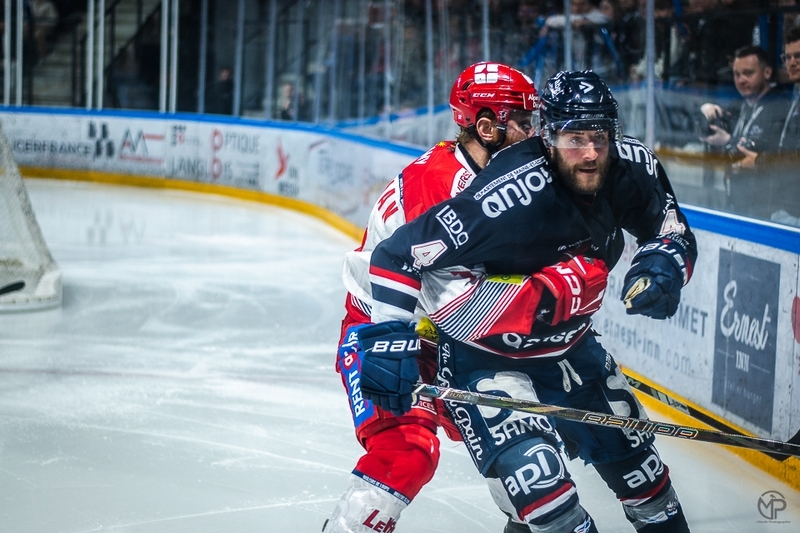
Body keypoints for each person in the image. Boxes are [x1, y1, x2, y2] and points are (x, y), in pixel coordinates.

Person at [354, 71, 696, 532]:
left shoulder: (630, 165)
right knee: (539, 501)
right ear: (488, 126)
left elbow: (669, 228)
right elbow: (418, 276)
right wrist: (557, 291)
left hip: (568, 348)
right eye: (574, 137)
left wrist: (664, 265)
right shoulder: (491, 193)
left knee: (647, 485)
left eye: (600, 136)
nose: (591, 152)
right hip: (468, 351)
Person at [324, 62, 539, 533]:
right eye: (523, 122)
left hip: (445, 334)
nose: (534, 133)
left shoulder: (507, 174)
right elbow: (462, 307)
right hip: (383, 333)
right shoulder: (438, 187)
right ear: (486, 127)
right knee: (408, 452)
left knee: (520, 458)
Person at [699, 45, 789, 219]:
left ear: (767, 73)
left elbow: (764, 152)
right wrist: (705, 111)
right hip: (737, 200)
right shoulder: (742, 104)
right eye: (737, 74)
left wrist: (728, 141)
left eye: (748, 73)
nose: (741, 80)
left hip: (765, 208)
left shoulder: (779, 107)